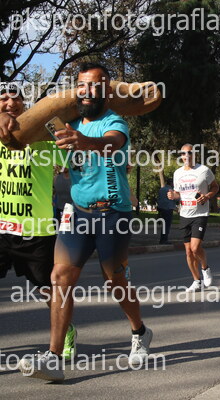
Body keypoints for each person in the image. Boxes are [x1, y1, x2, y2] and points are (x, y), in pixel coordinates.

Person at [18, 63, 152, 381]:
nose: (87, 91)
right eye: (82, 85)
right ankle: (53, 357)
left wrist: (84, 141)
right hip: (77, 213)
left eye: (95, 85)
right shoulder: (65, 125)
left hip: (113, 214)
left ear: (107, 90)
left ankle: (139, 331)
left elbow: (112, 143)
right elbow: (50, 150)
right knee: (60, 277)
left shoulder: (114, 122)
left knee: (114, 281)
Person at [0, 82, 78, 368]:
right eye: (3, 98)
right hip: (1, 229)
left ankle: (64, 331)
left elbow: (73, 156)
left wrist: (53, 123)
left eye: (16, 98)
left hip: (37, 231)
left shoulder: (44, 140)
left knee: (49, 290)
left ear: (25, 104)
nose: (10, 103)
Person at [168, 144, 218, 291]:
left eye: (189, 153)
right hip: (185, 213)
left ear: (194, 154)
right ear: (181, 156)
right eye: (183, 153)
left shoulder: (204, 170)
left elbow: (215, 187)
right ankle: (196, 281)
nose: (186, 156)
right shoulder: (177, 173)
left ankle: (205, 268)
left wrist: (207, 196)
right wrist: (173, 195)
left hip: (200, 214)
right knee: (188, 251)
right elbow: (178, 193)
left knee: (195, 248)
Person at [157, 179, 176, 244]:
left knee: (164, 225)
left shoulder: (161, 189)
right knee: (167, 225)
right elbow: (176, 199)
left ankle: (162, 239)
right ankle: (164, 240)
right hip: (168, 209)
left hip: (161, 209)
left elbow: (158, 199)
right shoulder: (171, 190)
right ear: (171, 183)